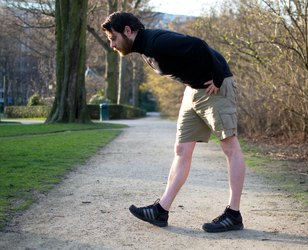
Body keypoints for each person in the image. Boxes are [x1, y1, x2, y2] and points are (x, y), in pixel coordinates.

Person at [101, 12, 246, 233]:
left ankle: (233, 215)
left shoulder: (156, 42)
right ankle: (161, 209)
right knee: (181, 149)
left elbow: (198, 45)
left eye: (113, 38)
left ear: (128, 31)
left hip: (214, 88)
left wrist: (217, 76)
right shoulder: (144, 47)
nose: (112, 44)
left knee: (230, 147)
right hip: (193, 91)